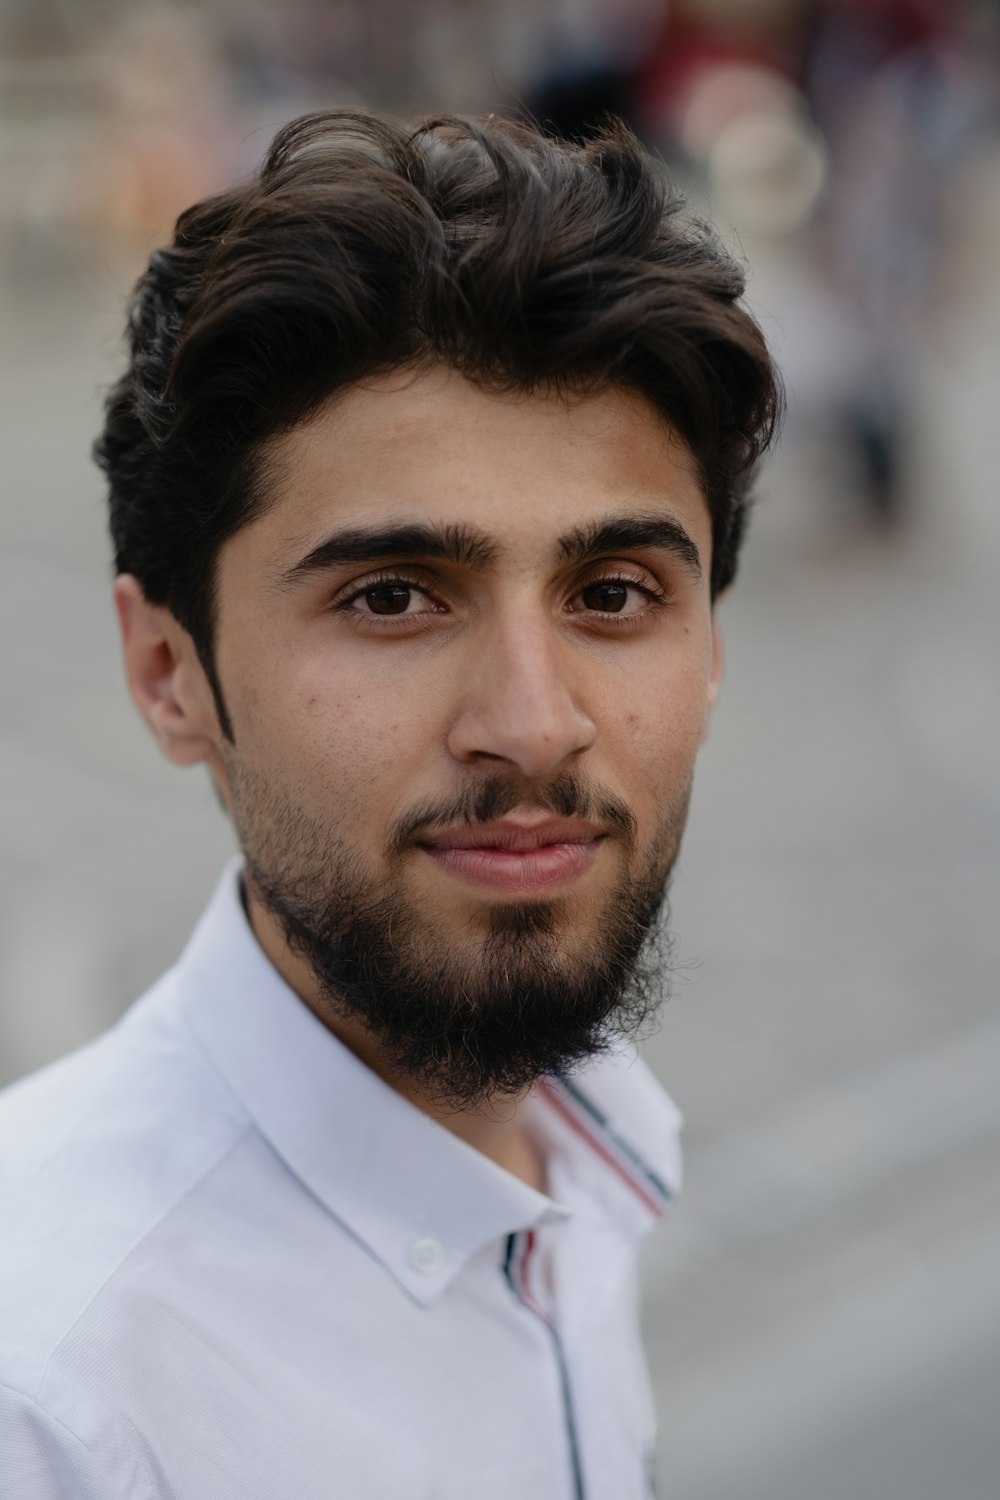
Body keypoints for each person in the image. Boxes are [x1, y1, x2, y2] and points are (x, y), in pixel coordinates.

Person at [0, 110, 780, 1499]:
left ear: (710, 651)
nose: (535, 723)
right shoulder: (55, 1397)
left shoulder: (588, 1147)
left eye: (614, 595)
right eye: (393, 597)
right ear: (169, 672)